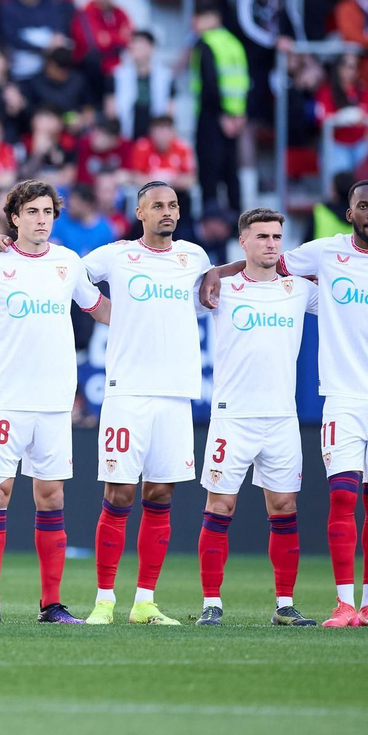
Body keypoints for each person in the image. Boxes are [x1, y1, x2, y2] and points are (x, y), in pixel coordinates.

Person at [200, 180, 368, 628]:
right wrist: (219, 271)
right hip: (339, 397)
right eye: (362, 205)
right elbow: (268, 260)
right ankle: (342, 604)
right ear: (348, 212)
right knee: (342, 495)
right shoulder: (325, 253)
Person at [0, 180, 109, 624]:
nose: (41, 219)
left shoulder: (68, 262)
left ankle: (51, 604)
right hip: (5, 399)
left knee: (51, 497)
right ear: (15, 217)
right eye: (32, 211)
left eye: (47, 212)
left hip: (54, 400)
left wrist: (155, 317)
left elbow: (99, 309)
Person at [75, 181, 209, 626]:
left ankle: (145, 601)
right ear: (140, 213)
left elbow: (219, 287)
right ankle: (104, 600)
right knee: (118, 492)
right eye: (157, 206)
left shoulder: (195, 257)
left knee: (161, 493)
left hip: (175, 393)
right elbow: (68, 273)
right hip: (127, 390)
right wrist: (99, 308)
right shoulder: (114, 255)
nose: (167, 212)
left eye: (173, 204)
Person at [196, 207, 319, 627]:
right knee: (221, 506)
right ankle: (212, 602)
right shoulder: (222, 288)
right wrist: (216, 270)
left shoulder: (299, 290)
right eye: (262, 236)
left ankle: (284, 605)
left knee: (284, 507)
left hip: (282, 417)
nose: (270, 244)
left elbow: (349, 294)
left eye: (276, 237)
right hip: (233, 416)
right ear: (243, 242)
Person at [189, 0, 247, 213]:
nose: (195, 23)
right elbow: (244, 82)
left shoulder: (206, 43)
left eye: (199, 18)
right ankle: (236, 219)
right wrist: (239, 115)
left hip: (213, 116)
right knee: (232, 171)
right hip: (235, 119)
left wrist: (222, 115)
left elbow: (209, 84)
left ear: (213, 19)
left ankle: (211, 219)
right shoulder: (234, 44)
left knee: (209, 171)